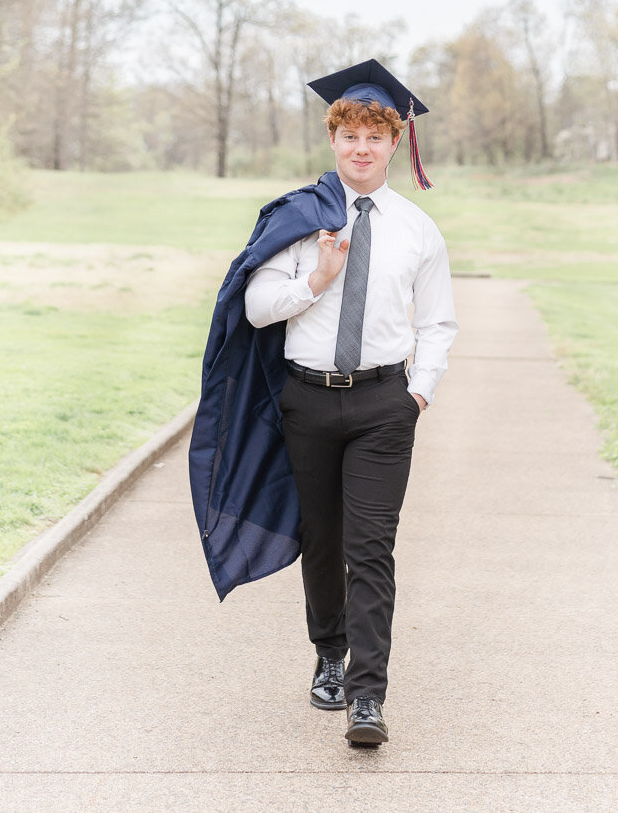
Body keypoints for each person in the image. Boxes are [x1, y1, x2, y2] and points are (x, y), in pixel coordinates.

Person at [190, 58, 456, 748]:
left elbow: (438, 323)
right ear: (333, 141)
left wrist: (418, 393)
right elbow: (253, 308)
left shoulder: (418, 231)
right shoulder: (300, 218)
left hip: (381, 407)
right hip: (306, 403)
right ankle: (330, 654)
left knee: (371, 549)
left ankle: (367, 696)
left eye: (375, 136)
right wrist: (318, 277)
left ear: (395, 143)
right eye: (350, 135)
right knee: (322, 540)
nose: (361, 148)